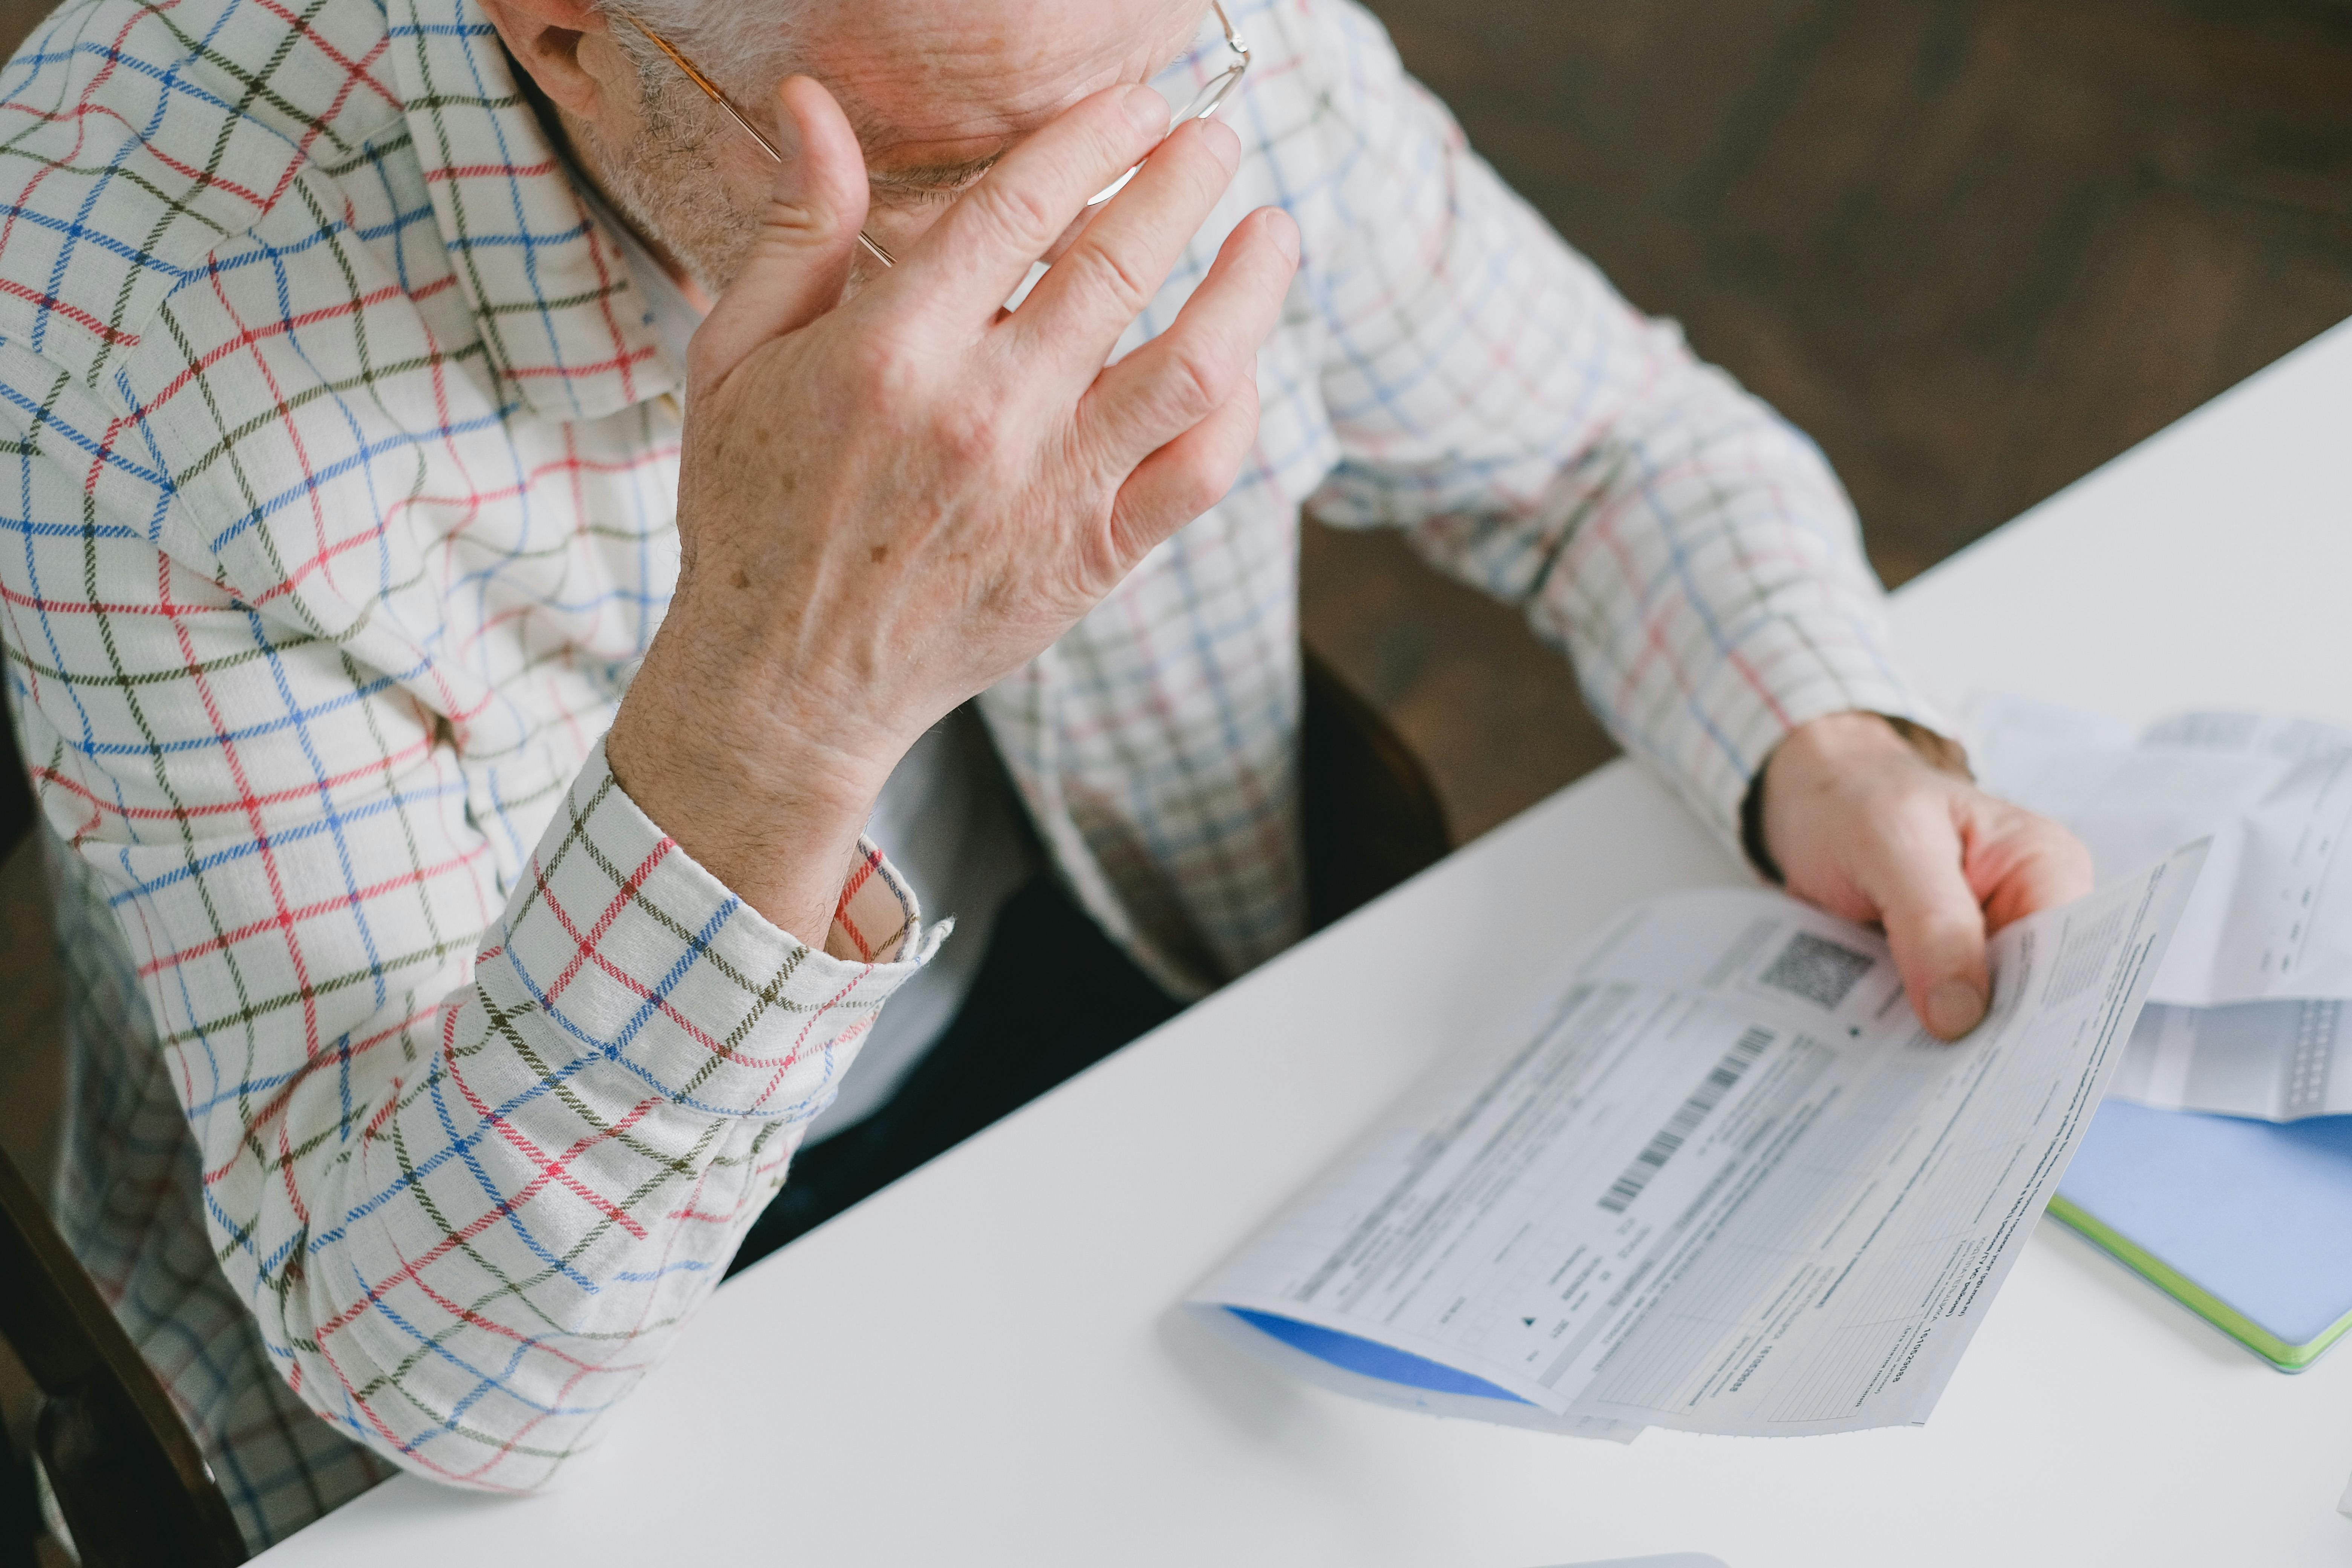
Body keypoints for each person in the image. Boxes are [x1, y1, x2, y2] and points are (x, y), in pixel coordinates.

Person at [0, 0, 2089, 1549]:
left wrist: (1825, 736)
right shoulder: (131, 319)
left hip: (1122, 1029)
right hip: (496, 1364)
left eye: (1140, 128)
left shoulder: (1145, 46)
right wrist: (780, 698)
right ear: (572, 40)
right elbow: (441, 1372)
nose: (1104, 243)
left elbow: (1614, 446)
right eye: (963, 186)